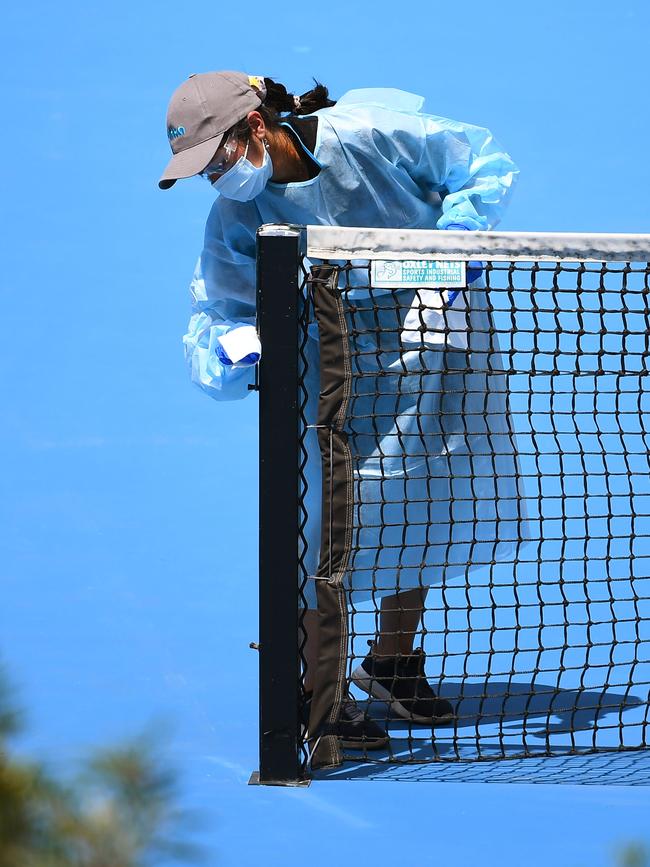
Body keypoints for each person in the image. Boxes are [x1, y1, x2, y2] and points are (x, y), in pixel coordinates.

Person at [159, 71, 519, 751]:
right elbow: (221, 314)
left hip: (426, 332)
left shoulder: (376, 136)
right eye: (201, 172)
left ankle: (390, 662)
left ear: (256, 129)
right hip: (328, 365)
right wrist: (237, 349)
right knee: (323, 522)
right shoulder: (237, 217)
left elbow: (480, 165)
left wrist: (449, 251)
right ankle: (316, 686)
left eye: (216, 159)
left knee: (419, 496)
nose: (214, 180)